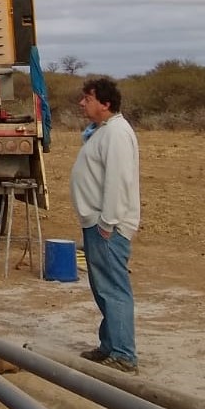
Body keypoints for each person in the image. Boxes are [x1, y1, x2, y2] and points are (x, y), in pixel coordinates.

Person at [72, 76, 141, 373]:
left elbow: (118, 180)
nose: (82, 103)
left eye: (88, 98)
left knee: (114, 289)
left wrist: (108, 222)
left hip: (107, 225)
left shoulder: (117, 134)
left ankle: (124, 354)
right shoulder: (102, 131)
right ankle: (110, 345)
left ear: (105, 103)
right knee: (102, 288)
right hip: (97, 222)